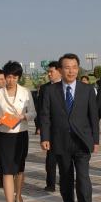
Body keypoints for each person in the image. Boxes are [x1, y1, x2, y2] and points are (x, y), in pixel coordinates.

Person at [40, 53, 99, 202]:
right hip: (60, 141)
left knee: (83, 180)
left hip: (82, 142)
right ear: (60, 70)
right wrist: (45, 137)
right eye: (67, 67)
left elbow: (93, 116)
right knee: (65, 180)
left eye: (74, 67)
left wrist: (95, 139)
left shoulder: (87, 89)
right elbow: (45, 115)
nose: (71, 71)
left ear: (78, 68)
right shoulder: (50, 90)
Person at [0, 61, 36, 202]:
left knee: (19, 169)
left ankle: (19, 195)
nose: (11, 80)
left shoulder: (25, 92)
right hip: (4, 136)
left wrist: (23, 117)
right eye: (8, 77)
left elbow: (33, 113)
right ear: (4, 77)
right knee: (7, 171)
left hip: (21, 134)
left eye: (15, 77)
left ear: (19, 77)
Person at [37, 61, 65, 192]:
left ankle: (67, 179)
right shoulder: (45, 88)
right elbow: (41, 111)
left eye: (51, 72)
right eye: (48, 72)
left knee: (67, 158)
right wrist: (41, 129)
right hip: (51, 130)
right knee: (51, 159)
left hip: (66, 130)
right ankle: (51, 183)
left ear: (59, 71)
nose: (49, 74)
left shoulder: (67, 85)